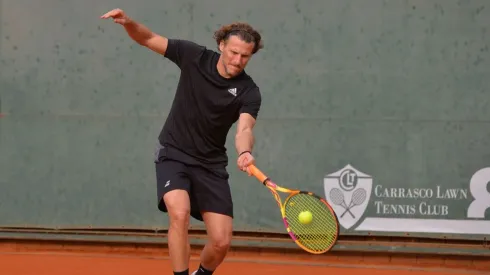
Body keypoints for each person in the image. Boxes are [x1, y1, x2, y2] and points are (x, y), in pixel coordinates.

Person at [101, 8, 264, 275]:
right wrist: (129, 22)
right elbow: (148, 38)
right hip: (174, 152)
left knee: (221, 242)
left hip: (211, 164)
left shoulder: (249, 91)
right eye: (233, 52)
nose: (237, 60)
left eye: (245, 56)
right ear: (221, 44)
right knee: (179, 214)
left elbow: (244, 128)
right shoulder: (194, 56)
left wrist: (245, 151)